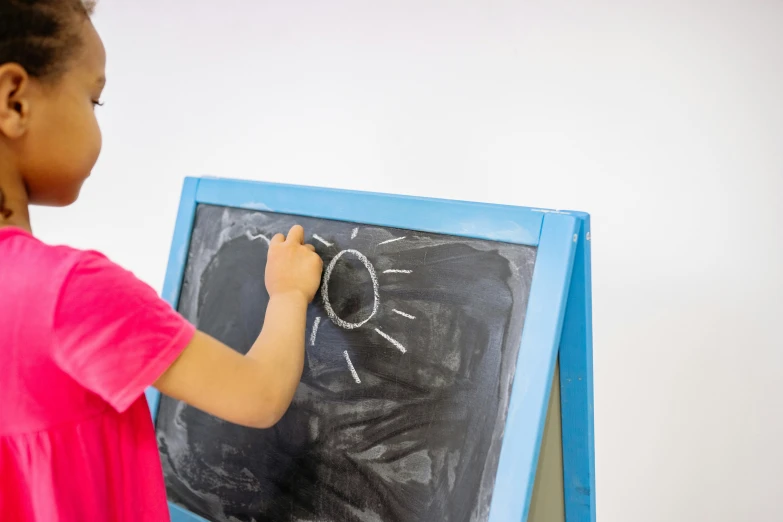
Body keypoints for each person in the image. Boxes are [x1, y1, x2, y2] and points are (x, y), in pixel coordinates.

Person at [0, 1, 323, 520]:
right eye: (93, 98)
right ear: (14, 100)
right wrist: (288, 294)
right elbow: (258, 395)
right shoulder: (70, 292)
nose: (96, 117)